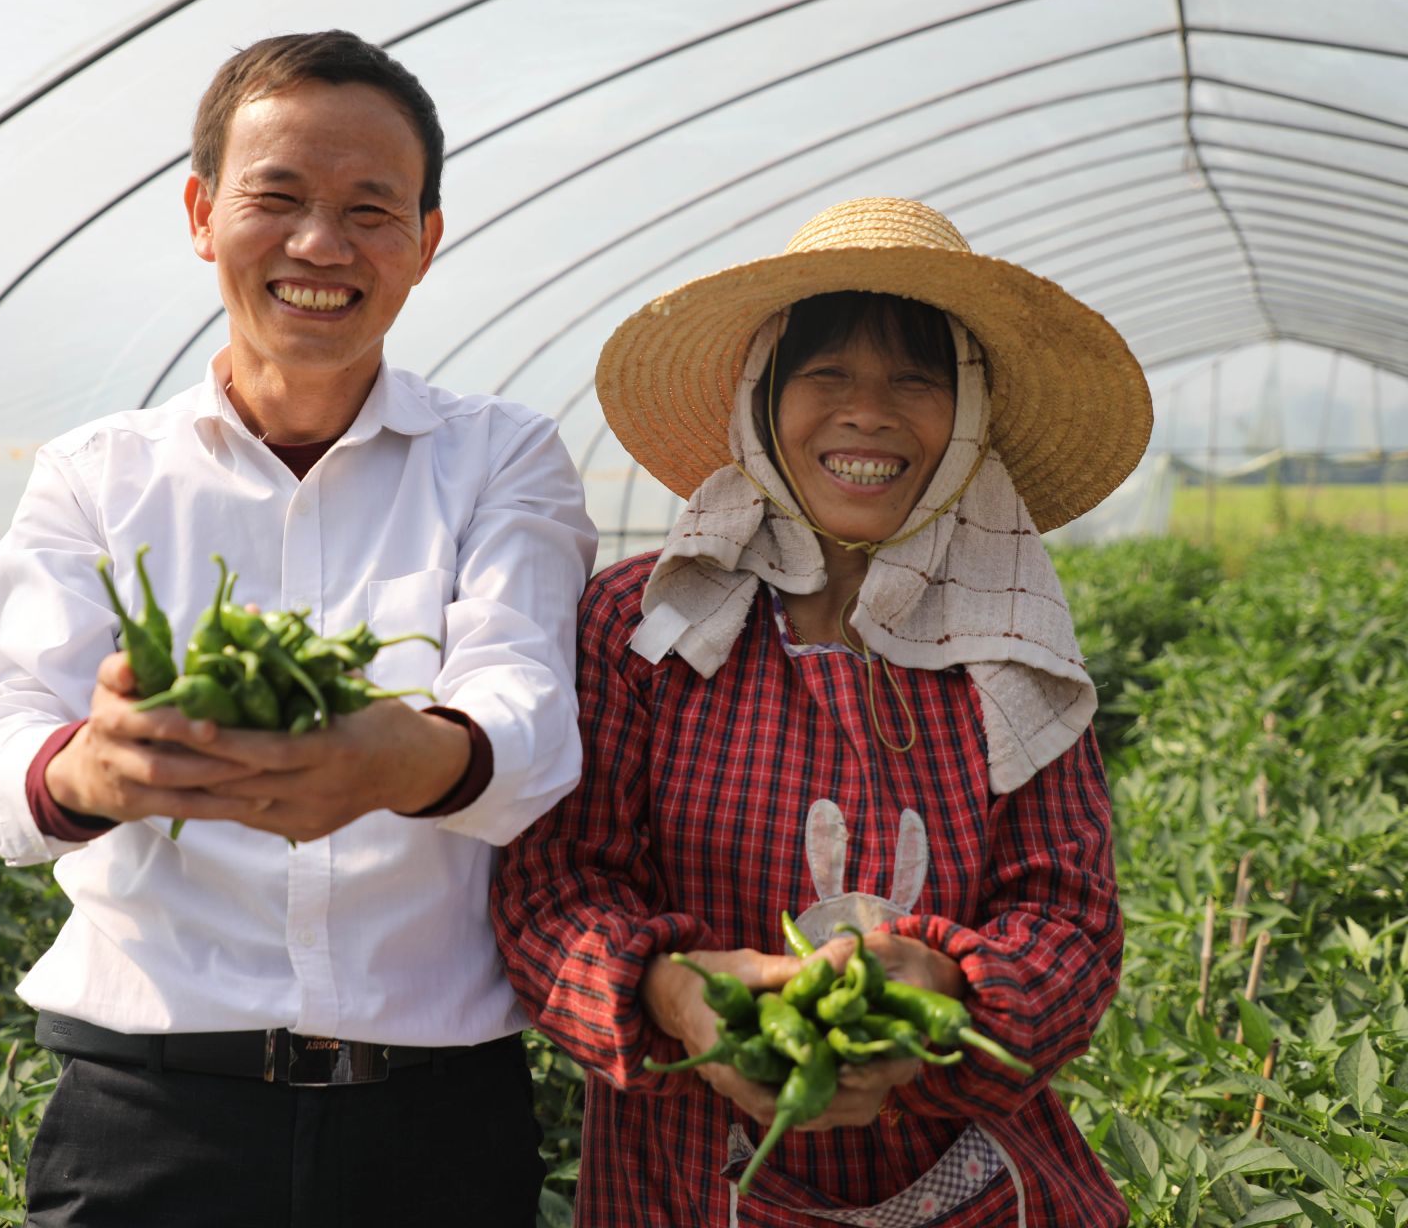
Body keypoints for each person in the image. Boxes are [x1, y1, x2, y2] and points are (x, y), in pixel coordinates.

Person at [0, 30, 596, 1227]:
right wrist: (91, 767)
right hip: (151, 1116)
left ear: (424, 243)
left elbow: (530, 720)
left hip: (434, 1128)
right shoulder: (100, 474)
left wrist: (404, 756)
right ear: (201, 214)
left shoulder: (502, 456)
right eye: (277, 198)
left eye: (370, 209)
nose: (319, 245)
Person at [493, 196, 1150, 1225]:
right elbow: (552, 889)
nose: (869, 412)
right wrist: (672, 990)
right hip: (683, 1176)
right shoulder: (649, 622)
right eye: (828, 373)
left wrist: (945, 985)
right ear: (764, 398)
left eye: (915, 379)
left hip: (969, 1177)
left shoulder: (1004, 639)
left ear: (966, 415)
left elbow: (1073, 921)